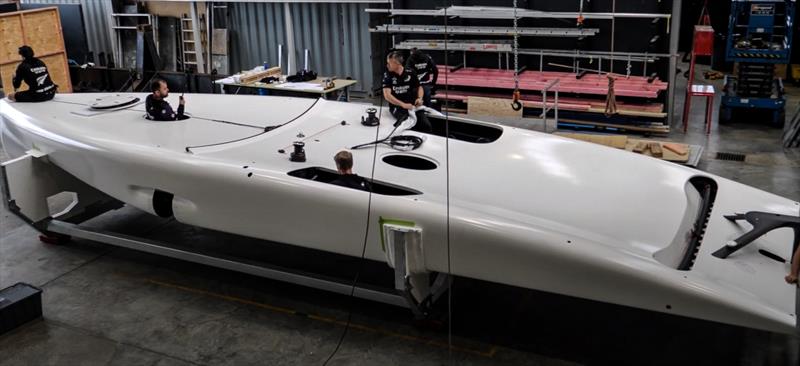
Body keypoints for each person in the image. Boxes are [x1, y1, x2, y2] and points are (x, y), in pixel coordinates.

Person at [382, 51, 432, 133]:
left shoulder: (410, 72)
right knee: (409, 124)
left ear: (397, 63)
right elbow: (387, 95)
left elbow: (419, 87)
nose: (387, 65)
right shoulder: (388, 75)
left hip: (412, 105)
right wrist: (403, 105)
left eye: (389, 63)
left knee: (426, 125)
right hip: (397, 107)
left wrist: (419, 98)